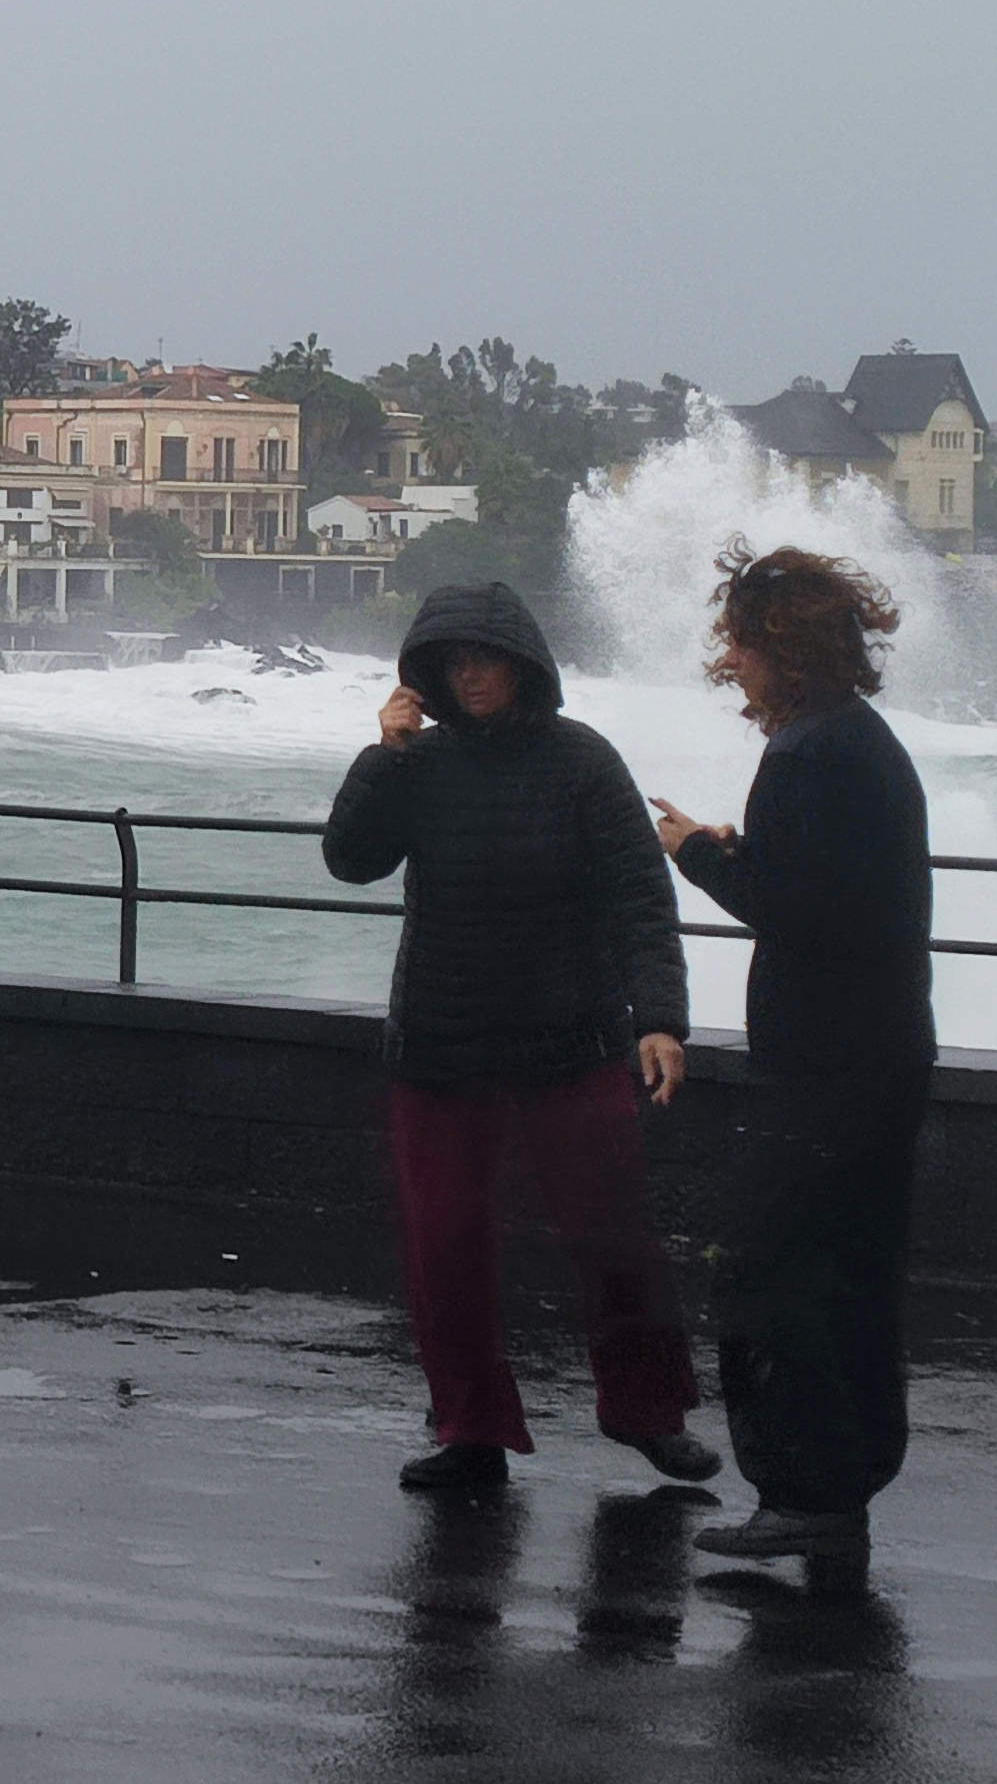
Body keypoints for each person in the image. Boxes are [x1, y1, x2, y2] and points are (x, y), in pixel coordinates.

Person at [325, 579, 716, 1494]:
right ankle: (471, 1431)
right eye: (453, 662)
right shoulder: (415, 765)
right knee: (445, 1246)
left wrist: (658, 1017)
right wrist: (383, 753)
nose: (470, 676)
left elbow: (637, 897)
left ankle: (647, 1414)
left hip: (566, 1039)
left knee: (614, 1239)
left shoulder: (581, 761)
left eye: (485, 659)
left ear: (522, 665)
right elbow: (350, 861)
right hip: (441, 1042)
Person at [649, 545, 934, 1584]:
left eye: (738, 640)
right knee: (852, 1275)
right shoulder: (856, 741)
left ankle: (804, 1494)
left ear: (780, 646)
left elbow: (794, 909)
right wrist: (747, 855)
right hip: (879, 1049)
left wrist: (698, 853)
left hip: (826, 1064)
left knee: (776, 1274)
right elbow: (829, 888)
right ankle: (838, 1493)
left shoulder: (810, 754)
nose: (730, 661)